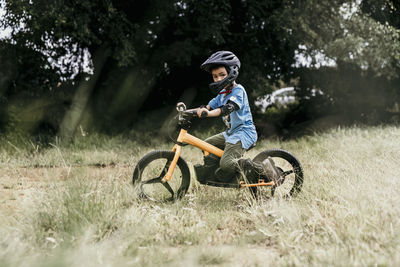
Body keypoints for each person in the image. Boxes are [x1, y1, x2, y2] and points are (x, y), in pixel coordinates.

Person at [192, 51, 280, 184]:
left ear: (231, 73)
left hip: (244, 133)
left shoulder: (238, 90)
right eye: (215, 76)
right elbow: (208, 106)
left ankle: (261, 168)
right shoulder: (222, 93)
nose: (218, 79)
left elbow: (227, 108)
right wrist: (188, 111)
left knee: (227, 163)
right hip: (231, 133)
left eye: (222, 75)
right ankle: (222, 175)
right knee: (206, 145)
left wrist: (208, 114)